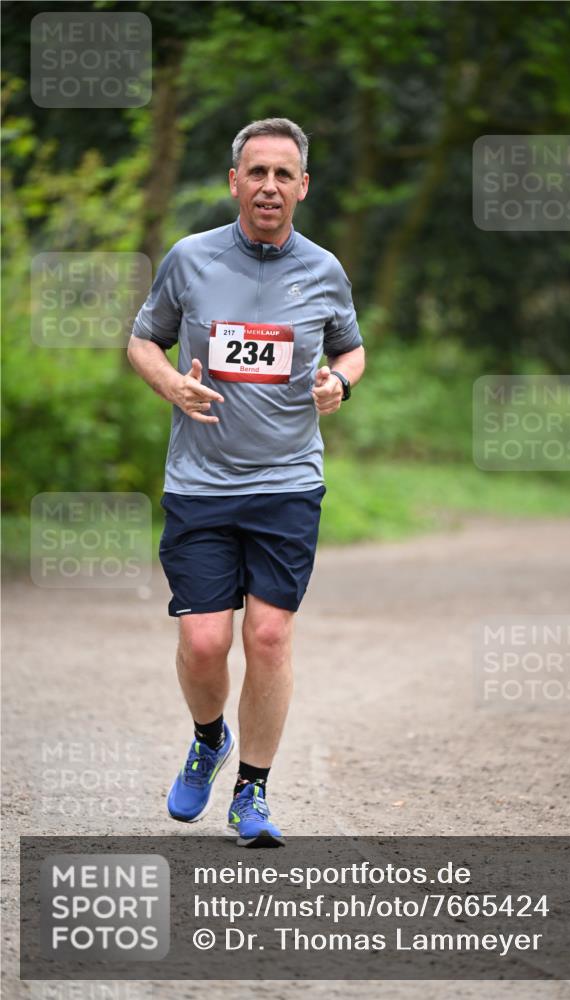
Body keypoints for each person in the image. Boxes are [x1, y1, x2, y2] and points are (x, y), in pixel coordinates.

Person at [128, 118, 365, 846]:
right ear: (234, 181)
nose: (268, 186)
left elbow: (350, 353)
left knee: (267, 635)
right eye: (255, 172)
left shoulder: (324, 270)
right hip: (200, 482)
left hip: (288, 482)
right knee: (204, 643)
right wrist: (171, 383)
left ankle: (252, 793)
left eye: (282, 174)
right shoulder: (190, 260)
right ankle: (208, 737)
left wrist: (337, 385)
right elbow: (143, 340)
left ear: (302, 186)